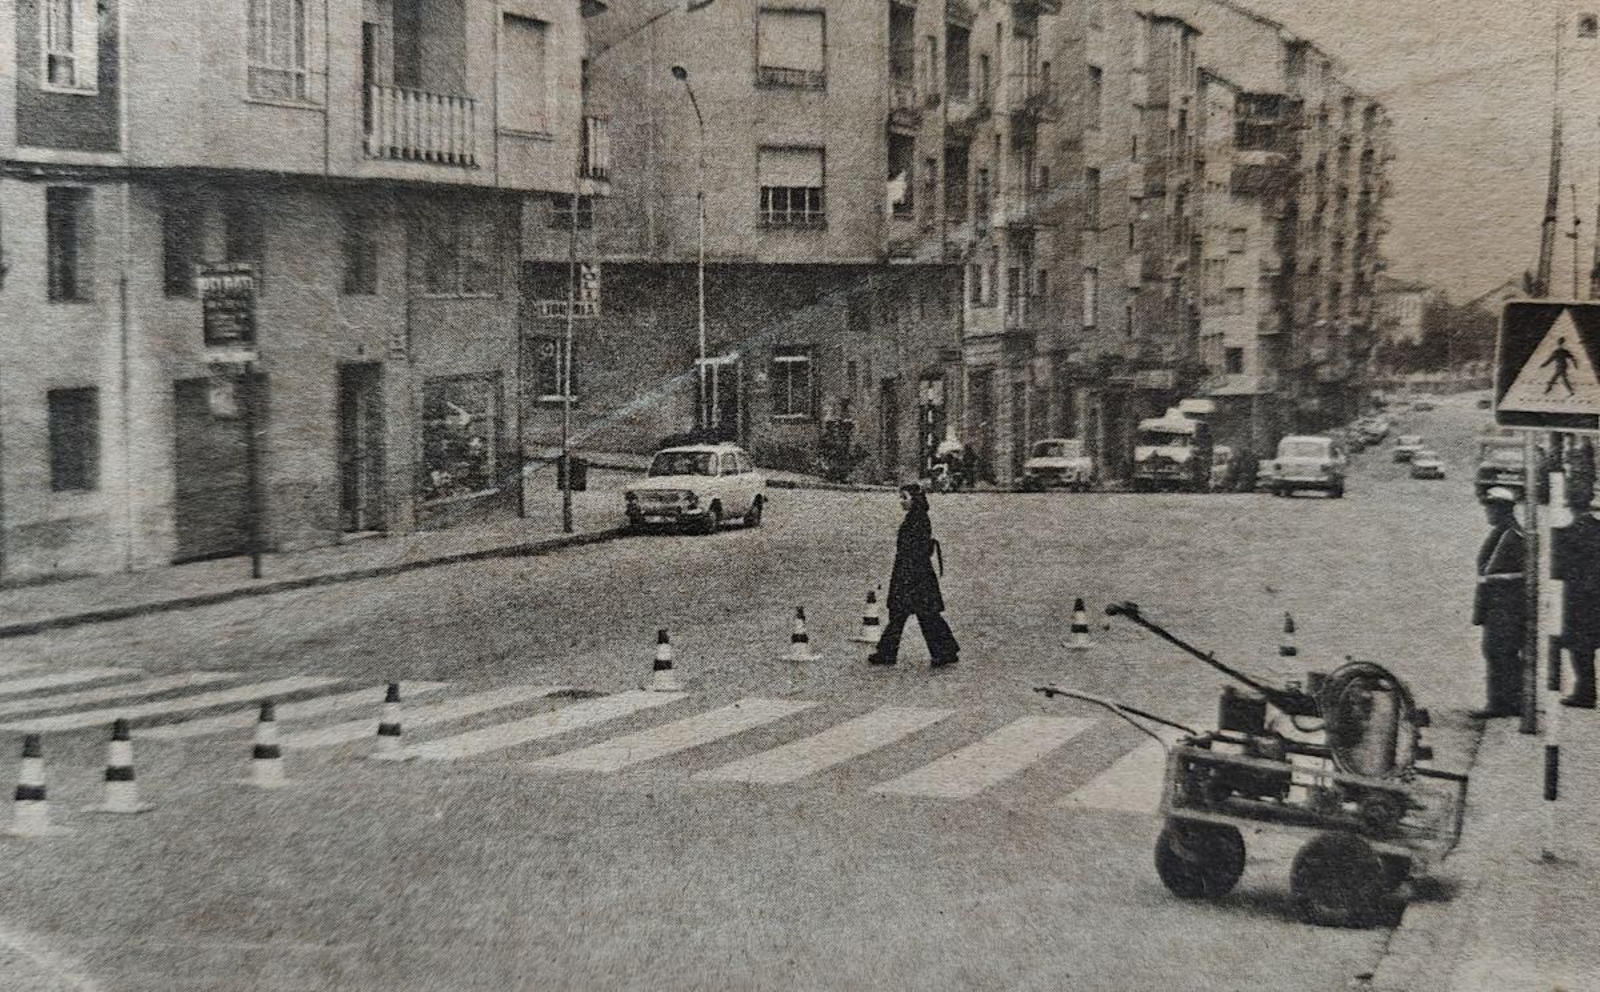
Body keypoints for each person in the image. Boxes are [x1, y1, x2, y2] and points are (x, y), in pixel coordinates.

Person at [868, 484, 961, 668]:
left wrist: (906, 576)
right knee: (915, 615)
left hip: (913, 575)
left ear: (914, 499)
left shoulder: (917, 519)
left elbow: (914, 549)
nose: (901, 502)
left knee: (915, 615)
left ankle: (889, 653)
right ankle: (944, 651)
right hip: (916, 574)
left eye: (904, 497)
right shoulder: (917, 517)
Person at [1471, 487, 1527, 719]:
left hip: (1506, 607)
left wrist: (1489, 580)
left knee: (1500, 652)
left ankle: (1503, 703)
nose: (1487, 513)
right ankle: (1504, 701)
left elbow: (1496, 571)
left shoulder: (1512, 535)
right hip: (1497, 605)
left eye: (1490, 508)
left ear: (1502, 510)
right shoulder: (1504, 532)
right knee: (1495, 652)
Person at [1556, 483, 1600, 708]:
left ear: (1571, 507)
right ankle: (1585, 692)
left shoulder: (1569, 533)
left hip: (1580, 600)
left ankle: (1585, 693)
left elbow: (1559, 569)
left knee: (1581, 650)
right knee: (1587, 647)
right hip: (1595, 599)